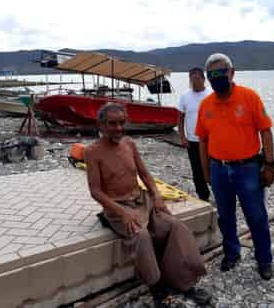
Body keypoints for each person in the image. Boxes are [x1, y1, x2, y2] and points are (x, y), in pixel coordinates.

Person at [84, 103, 211, 307]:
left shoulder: (129, 144)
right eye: (112, 124)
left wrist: (157, 196)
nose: (118, 128)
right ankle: (157, 288)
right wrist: (122, 213)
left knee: (175, 227)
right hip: (118, 208)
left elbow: (144, 173)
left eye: (121, 123)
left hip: (143, 201)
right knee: (142, 236)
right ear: (101, 124)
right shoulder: (93, 152)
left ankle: (184, 282)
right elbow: (95, 191)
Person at [195, 53, 274, 280]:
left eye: (222, 73)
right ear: (208, 78)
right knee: (225, 216)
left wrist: (269, 164)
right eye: (212, 75)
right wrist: (206, 172)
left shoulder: (250, 97)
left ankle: (264, 259)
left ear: (232, 73)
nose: (217, 78)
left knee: (257, 216)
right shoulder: (206, 105)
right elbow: (202, 140)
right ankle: (232, 252)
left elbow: (266, 131)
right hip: (219, 169)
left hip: (248, 168)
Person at [178, 67, 212, 201]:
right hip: (192, 140)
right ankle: (203, 196)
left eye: (197, 79)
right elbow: (180, 118)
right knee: (197, 170)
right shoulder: (185, 96)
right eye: (191, 79)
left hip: (210, 140)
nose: (194, 82)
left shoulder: (211, 94)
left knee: (213, 168)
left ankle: (219, 193)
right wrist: (183, 137)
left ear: (203, 79)